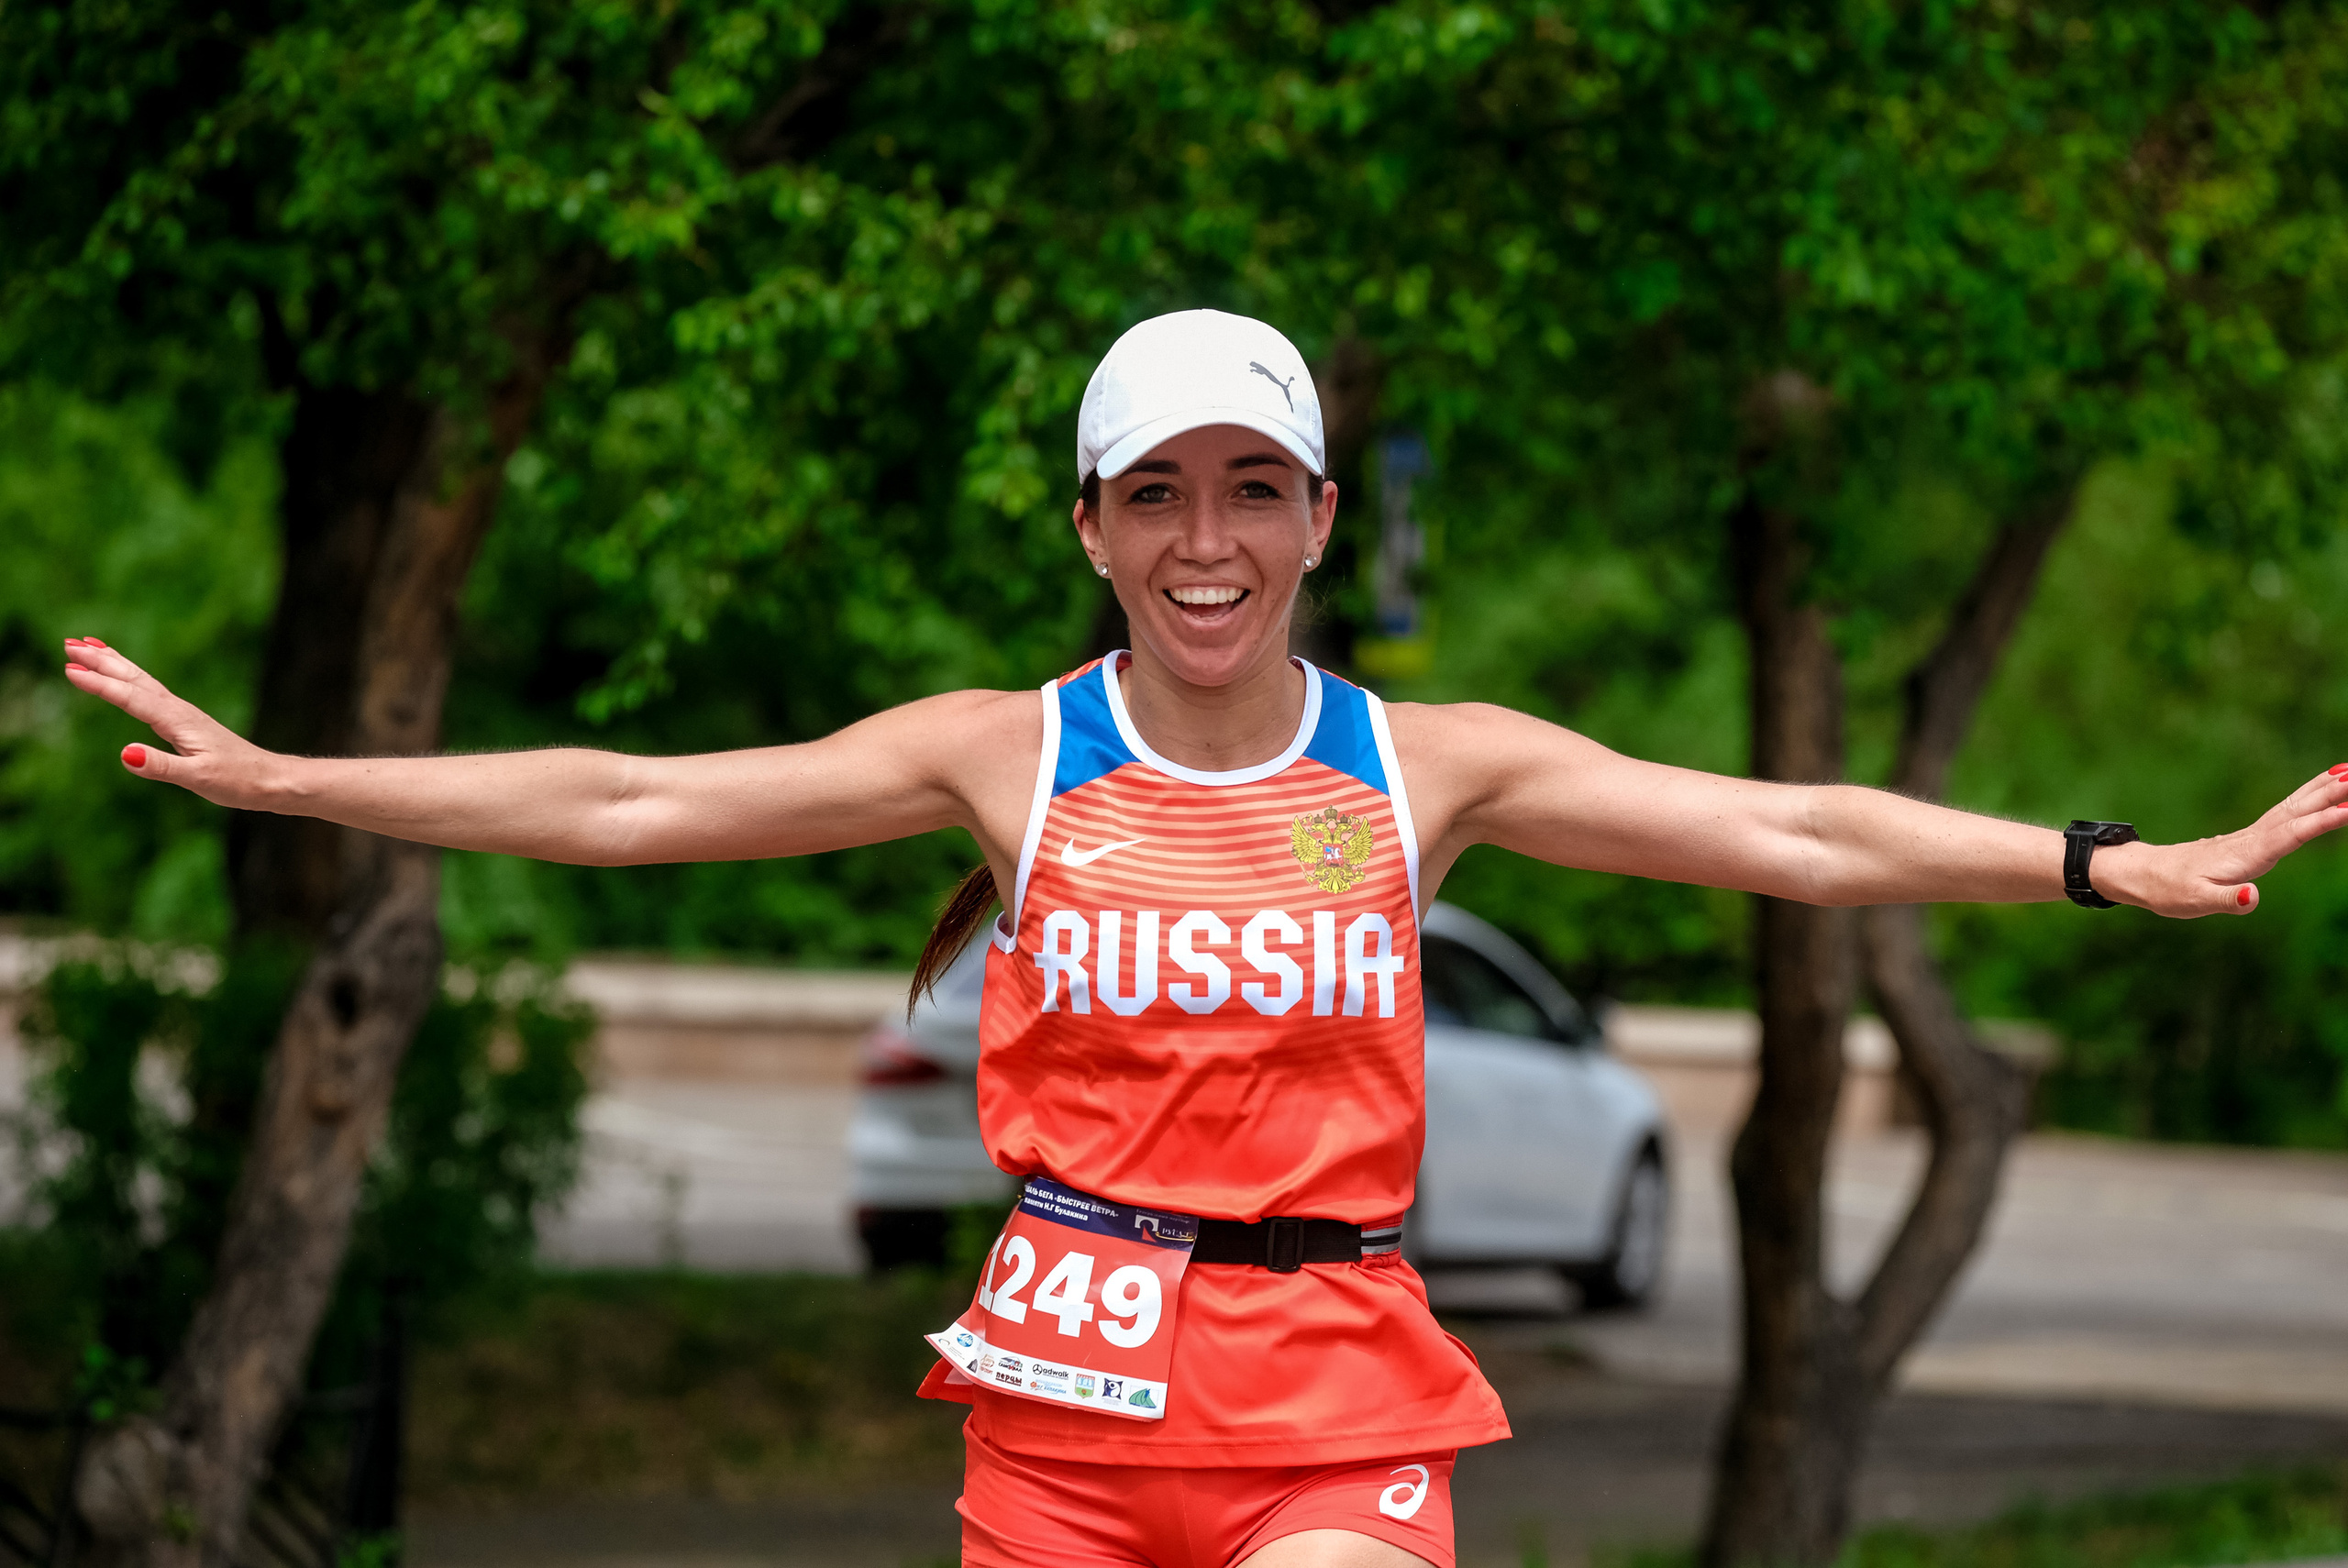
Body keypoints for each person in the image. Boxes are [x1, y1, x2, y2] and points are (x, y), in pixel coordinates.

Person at [61, 308, 2348, 1568]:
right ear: (1089, 526)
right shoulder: (1005, 755)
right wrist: (287, 777)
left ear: (1319, 516)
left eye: (1250, 486)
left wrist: (2090, 859)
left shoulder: (1421, 766)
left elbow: (1788, 829)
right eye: (1153, 490)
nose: (1205, 535)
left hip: (1328, 1402)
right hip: (1057, 1413)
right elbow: (636, 799)